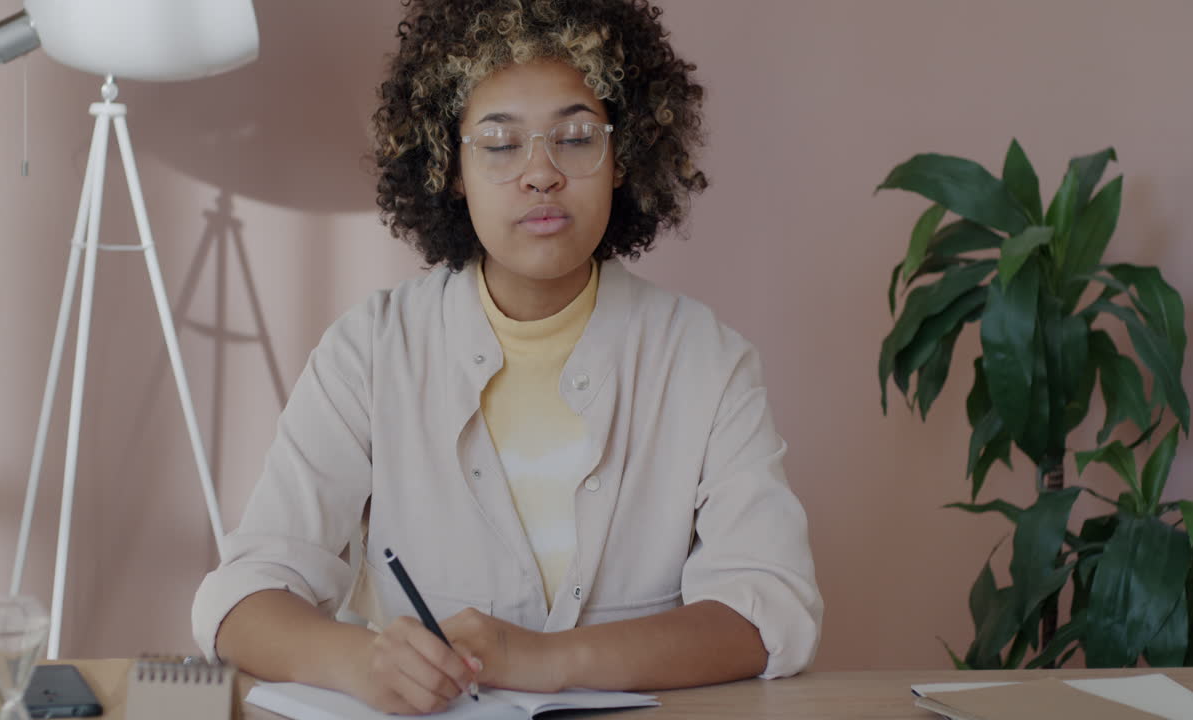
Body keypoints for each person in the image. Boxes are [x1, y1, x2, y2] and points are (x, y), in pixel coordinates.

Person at [192, 0, 822, 714]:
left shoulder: (707, 362)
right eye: (499, 144)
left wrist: (549, 660)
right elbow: (241, 597)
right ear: (450, 169)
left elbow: (770, 610)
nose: (542, 174)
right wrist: (363, 661)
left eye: (577, 137)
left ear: (623, 159)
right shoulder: (371, 350)